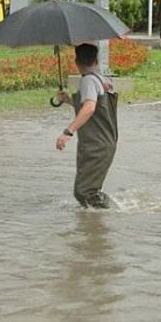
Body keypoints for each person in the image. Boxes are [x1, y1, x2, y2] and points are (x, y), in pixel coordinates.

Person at [55, 43, 119, 209]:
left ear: (76, 62)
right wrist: (69, 100)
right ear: (96, 60)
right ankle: (101, 216)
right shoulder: (102, 79)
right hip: (104, 142)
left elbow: (89, 108)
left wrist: (68, 132)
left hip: (95, 144)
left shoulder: (88, 81)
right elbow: (95, 108)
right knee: (88, 191)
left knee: (84, 192)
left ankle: (115, 212)